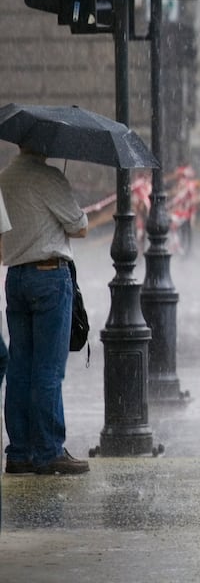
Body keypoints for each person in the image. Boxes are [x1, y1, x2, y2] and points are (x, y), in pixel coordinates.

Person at [1, 148, 89, 476]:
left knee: (20, 366)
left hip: (16, 278)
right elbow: (80, 226)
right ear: (45, 145)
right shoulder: (49, 177)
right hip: (49, 275)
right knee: (49, 369)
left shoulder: (4, 178)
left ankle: (19, 452)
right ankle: (50, 451)